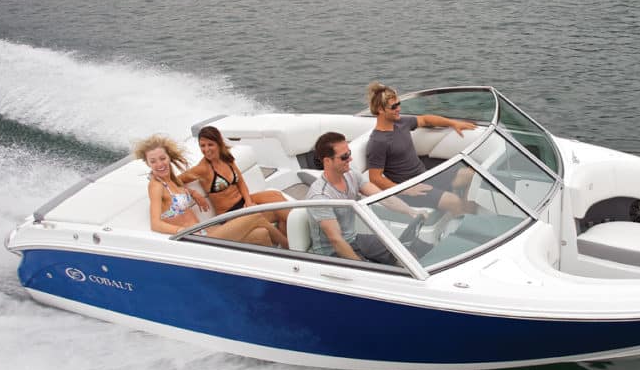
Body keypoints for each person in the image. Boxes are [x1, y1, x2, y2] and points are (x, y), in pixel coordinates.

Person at [134, 135, 285, 248]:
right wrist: (182, 230)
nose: (159, 164)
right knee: (255, 217)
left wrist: (193, 193)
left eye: (162, 158)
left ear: (169, 158)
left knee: (261, 234)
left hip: (204, 230)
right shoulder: (156, 186)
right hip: (195, 239)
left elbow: (176, 192)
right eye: (153, 161)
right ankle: (288, 246)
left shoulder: (171, 181)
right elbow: (155, 224)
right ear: (147, 163)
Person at [307, 131, 424, 265]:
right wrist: (362, 267)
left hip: (353, 239)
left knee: (405, 254)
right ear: (327, 161)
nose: (350, 159)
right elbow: (336, 240)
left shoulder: (351, 175)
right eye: (344, 157)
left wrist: (411, 211)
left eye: (349, 153)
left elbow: (384, 198)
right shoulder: (321, 197)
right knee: (380, 271)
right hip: (331, 252)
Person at [364, 81, 477, 215]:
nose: (398, 109)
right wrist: (405, 189)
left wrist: (453, 123)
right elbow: (375, 178)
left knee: (472, 174)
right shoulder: (378, 142)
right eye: (393, 107)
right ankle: (461, 218)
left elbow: (425, 120)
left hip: (424, 175)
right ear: (380, 110)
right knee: (453, 201)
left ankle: (467, 213)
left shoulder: (400, 123)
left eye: (399, 104)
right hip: (408, 189)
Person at [181, 126, 290, 237]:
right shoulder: (202, 169)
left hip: (242, 202)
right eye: (202, 145)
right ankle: (287, 243)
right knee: (278, 213)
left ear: (219, 143)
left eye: (210, 144)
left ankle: (291, 235)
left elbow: (241, 182)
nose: (206, 149)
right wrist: (193, 193)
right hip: (229, 214)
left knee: (276, 196)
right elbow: (175, 180)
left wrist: (248, 202)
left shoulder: (226, 158)